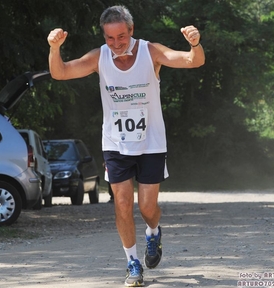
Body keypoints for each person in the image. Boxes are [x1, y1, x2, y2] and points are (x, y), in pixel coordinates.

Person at [47, 5, 205, 287]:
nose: (117, 43)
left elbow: (192, 61)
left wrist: (195, 44)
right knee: (122, 204)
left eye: (121, 36)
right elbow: (60, 73)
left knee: (146, 208)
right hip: (115, 143)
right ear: (104, 37)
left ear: (131, 31)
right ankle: (132, 263)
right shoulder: (99, 57)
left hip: (152, 143)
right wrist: (54, 48)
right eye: (110, 38)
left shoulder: (150, 51)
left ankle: (153, 232)